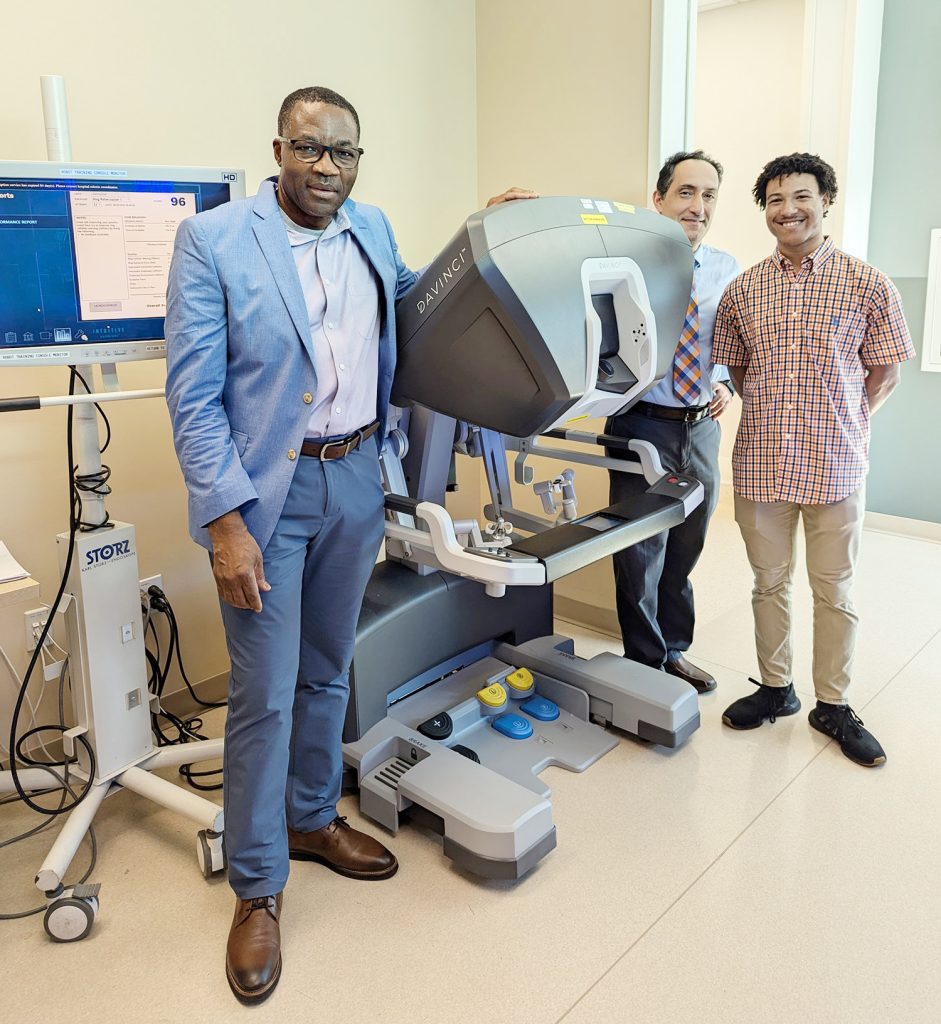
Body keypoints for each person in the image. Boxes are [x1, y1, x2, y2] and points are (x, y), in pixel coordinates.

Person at [165, 85, 535, 1004]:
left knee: (328, 671)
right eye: (309, 149)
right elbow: (193, 396)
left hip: (353, 479)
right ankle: (258, 885)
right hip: (267, 496)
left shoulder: (368, 226)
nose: (326, 167)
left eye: (344, 153)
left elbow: (415, 308)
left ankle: (306, 820)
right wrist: (224, 523)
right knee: (262, 692)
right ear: (279, 148)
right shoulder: (214, 240)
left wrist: (483, 242)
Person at [712, 152, 914, 767]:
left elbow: (885, 372)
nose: (787, 210)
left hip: (836, 467)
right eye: (774, 200)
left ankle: (834, 704)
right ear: (764, 211)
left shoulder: (867, 281)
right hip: (762, 467)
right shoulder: (744, 288)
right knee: (768, 584)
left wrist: (844, 422)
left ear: (825, 201)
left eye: (800, 197)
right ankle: (776, 689)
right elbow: (738, 368)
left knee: (834, 590)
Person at [606, 150, 739, 694]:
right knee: (641, 550)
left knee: (688, 541)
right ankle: (644, 663)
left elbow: (729, 338)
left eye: (708, 195)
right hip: (641, 421)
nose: (698, 206)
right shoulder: (624, 263)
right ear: (658, 200)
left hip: (700, 425)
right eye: (686, 192)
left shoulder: (727, 269)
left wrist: (726, 381)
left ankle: (674, 650)